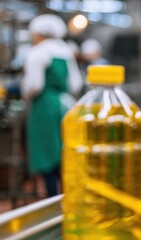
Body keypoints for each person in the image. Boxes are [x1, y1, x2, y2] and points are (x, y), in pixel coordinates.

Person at [21, 14, 83, 197]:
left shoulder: (37, 52)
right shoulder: (66, 50)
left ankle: (51, 201)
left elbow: (34, 85)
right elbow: (76, 84)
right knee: (64, 153)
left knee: (46, 153)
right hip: (65, 105)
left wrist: (25, 93)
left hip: (44, 106)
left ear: (39, 33)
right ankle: (67, 199)